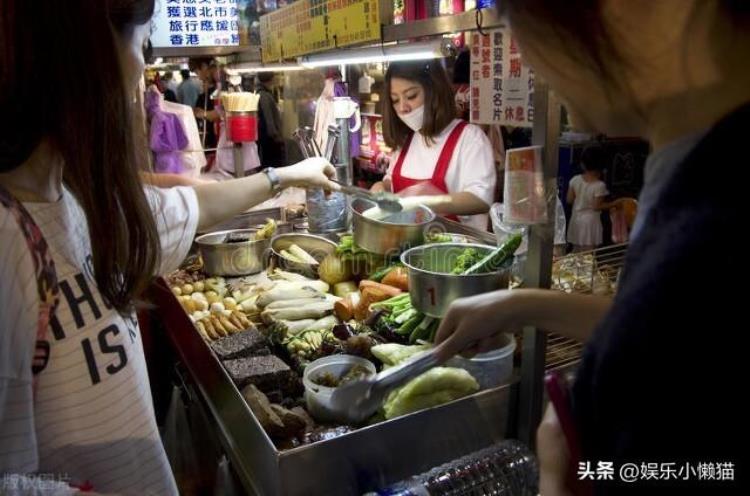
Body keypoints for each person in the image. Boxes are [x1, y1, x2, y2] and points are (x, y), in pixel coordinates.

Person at [0, 1, 337, 494]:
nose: (142, 73)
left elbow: (190, 208)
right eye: (139, 48)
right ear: (85, 60)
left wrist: (284, 175)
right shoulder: (9, 240)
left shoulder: (77, 203)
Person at [433, 0, 748, 494]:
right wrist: (519, 304)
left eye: (521, 19)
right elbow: (669, 330)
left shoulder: (716, 229)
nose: (527, 55)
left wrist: (564, 481)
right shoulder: (697, 162)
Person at [374, 60, 496, 231]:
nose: (403, 108)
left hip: (455, 251)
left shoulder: (469, 138)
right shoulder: (406, 140)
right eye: (395, 100)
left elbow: (481, 200)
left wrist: (426, 202)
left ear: (434, 91)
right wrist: (381, 187)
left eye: (411, 96)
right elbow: (390, 180)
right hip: (407, 248)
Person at [566, 146, 621, 252]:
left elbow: (569, 200)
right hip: (590, 224)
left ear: (582, 164)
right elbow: (597, 206)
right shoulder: (599, 186)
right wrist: (614, 204)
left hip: (576, 220)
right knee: (589, 253)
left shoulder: (574, 180)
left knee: (576, 250)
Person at [189, 57, 220, 154]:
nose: (199, 78)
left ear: (204, 67)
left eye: (198, 73)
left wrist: (204, 114)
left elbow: (220, 113)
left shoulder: (222, 87)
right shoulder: (208, 93)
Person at [256, 71, 287, 166]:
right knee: (273, 166)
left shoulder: (264, 93)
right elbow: (267, 117)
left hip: (268, 139)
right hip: (270, 141)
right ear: (271, 79)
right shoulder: (264, 95)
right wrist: (276, 136)